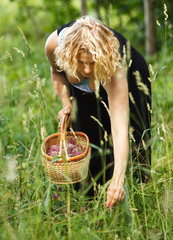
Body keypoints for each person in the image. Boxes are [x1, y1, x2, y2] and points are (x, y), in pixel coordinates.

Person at [45, 16, 151, 208]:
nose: (86, 70)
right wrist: (66, 103)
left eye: (92, 63)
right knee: (86, 131)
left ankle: (134, 196)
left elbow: (120, 127)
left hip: (132, 77)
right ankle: (90, 198)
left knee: (134, 139)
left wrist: (118, 180)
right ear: (69, 55)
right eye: (81, 62)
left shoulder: (114, 67)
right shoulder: (55, 44)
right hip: (88, 71)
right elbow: (56, 73)